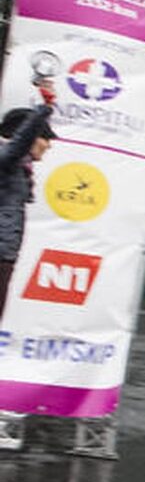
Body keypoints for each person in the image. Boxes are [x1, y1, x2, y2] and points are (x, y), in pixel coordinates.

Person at [0, 91, 55, 320]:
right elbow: (19, 144)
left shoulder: (16, 166)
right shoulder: (6, 159)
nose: (49, 145)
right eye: (45, 138)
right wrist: (45, 108)